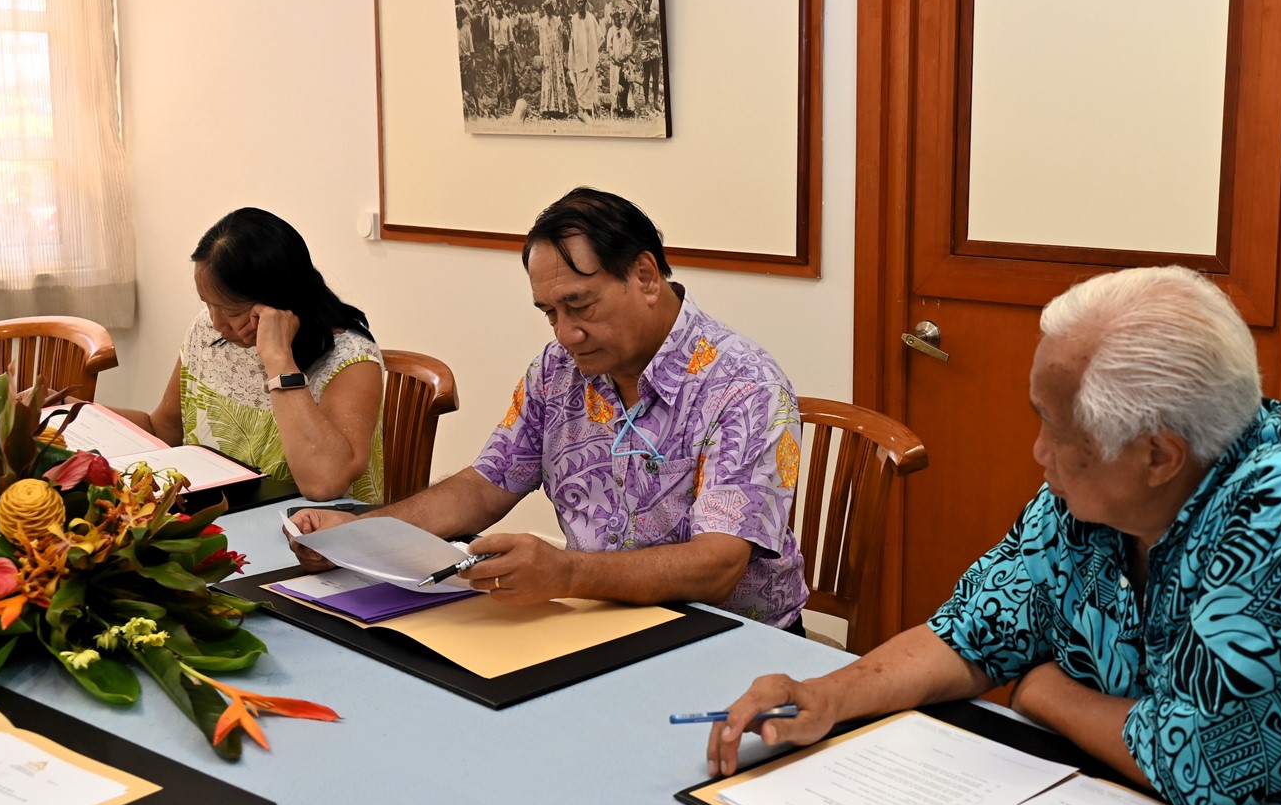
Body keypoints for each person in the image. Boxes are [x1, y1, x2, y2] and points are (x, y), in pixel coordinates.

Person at [708, 266, 1281, 805]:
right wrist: (832, 696)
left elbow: (1202, 765)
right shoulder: (1091, 496)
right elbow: (974, 629)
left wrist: (1045, 692)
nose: (1038, 452)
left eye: (1054, 429)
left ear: (1157, 455)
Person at [288, 188, 809, 629]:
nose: (566, 334)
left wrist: (566, 572)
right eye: (550, 313)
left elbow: (717, 566)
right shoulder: (559, 369)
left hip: (723, 636)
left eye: (580, 305)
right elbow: (485, 485)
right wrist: (361, 534)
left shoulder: (743, 386)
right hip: (596, 616)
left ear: (646, 276)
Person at [110, 208, 385, 502]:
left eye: (231, 311)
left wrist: (279, 360)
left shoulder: (352, 361)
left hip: (309, 525)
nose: (216, 323)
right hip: (222, 514)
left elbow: (324, 483)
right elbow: (163, 431)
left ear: (281, 302)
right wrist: (79, 409)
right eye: (208, 305)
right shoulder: (207, 332)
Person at [567, 0, 604, 120]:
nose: (580, 4)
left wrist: (593, 52)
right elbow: (572, 40)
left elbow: (599, 37)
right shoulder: (573, 20)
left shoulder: (591, 18)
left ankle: (590, 109)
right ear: (575, 4)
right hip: (579, 57)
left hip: (590, 56)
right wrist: (572, 57)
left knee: (591, 84)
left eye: (582, 1)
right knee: (581, 84)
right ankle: (581, 109)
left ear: (585, 2)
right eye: (578, 2)